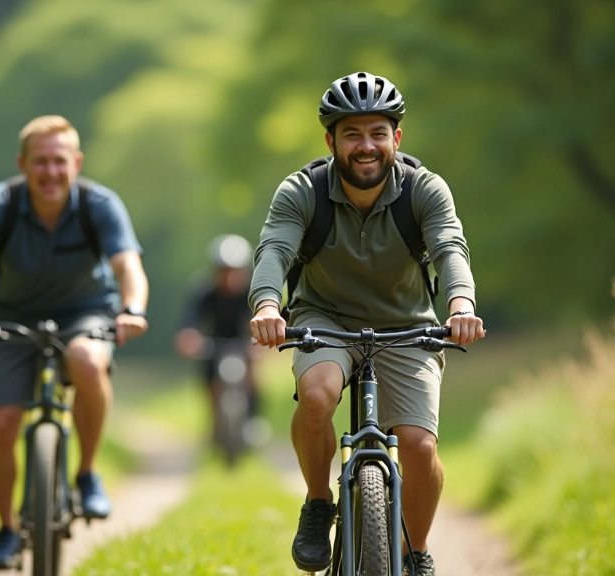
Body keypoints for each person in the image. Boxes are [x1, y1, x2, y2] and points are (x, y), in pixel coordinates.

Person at [248, 72, 486, 575]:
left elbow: (449, 247)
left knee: (419, 447)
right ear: (330, 140)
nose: (366, 146)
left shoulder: (424, 189)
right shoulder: (302, 191)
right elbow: (275, 250)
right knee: (316, 396)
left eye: (378, 133)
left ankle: (415, 551)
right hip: (323, 320)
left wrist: (461, 304)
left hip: (407, 326)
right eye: (352, 134)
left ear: (396, 138)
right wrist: (268, 305)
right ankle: (317, 504)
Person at [0, 115, 149, 570]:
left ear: (75, 163)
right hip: (10, 319)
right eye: (40, 162)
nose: (50, 173)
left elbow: (128, 267)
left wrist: (132, 310)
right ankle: (5, 529)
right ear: (23, 164)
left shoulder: (99, 204)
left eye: (59, 162)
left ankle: (86, 474)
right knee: (2, 423)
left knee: (86, 360)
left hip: (86, 313)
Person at [174, 234, 264, 450]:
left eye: (234, 271)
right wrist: (189, 339)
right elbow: (189, 321)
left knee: (254, 374)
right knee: (208, 376)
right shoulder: (205, 291)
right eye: (223, 271)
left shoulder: (253, 292)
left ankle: (253, 419)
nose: (229, 277)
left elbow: (269, 317)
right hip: (213, 344)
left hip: (245, 342)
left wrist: (261, 343)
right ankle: (215, 420)